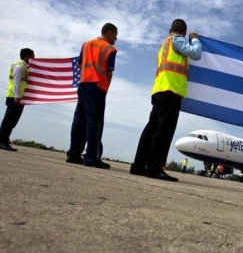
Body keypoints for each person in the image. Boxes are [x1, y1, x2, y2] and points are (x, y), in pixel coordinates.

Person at [130, 19, 202, 182]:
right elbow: (196, 54)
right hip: (171, 89)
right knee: (164, 130)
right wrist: (195, 39)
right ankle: (155, 167)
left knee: (151, 128)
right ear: (183, 32)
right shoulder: (177, 40)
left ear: (170, 29)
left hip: (159, 89)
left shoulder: (164, 45)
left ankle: (139, 165)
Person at [66, 23, 118, 169]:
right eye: (115, 34)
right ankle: (91, 156)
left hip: (83, 83)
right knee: (95, 121)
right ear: (108, 33)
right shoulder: (110, 49)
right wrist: (105, 89)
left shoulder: (86, 44)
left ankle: (74, 154)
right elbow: (109, 72)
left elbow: (79, 64)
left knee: (79, 119)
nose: (116, 38)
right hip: (97, 87)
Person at [0, 48, 35, 151]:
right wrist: (17, 97)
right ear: (27, 56)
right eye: (33, 56)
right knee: (8, 120)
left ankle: (5, 140)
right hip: (14, 97)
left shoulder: (25, 67)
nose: (34, 59)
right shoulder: (19, 66)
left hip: (19, 98)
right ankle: (1, 141)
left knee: (12, 121)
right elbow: (17, 83)